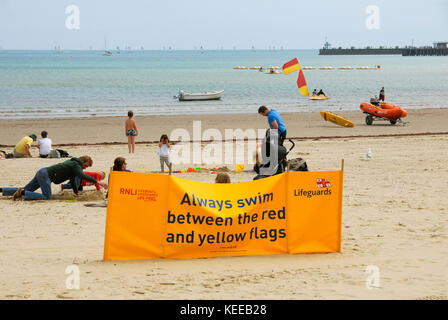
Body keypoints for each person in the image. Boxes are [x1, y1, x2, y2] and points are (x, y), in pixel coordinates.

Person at [0, 156, 107, 201]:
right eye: (86, 165)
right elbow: (82, 176)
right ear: (83, 161)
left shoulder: (74, 165)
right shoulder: (76, 165)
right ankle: (23, 193)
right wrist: (98, 182)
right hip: (46, 175)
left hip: (42, 172)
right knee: (47, 197)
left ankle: (2, 190)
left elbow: (73, 179)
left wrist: (76, 192)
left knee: (27, 188)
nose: (85, 168)